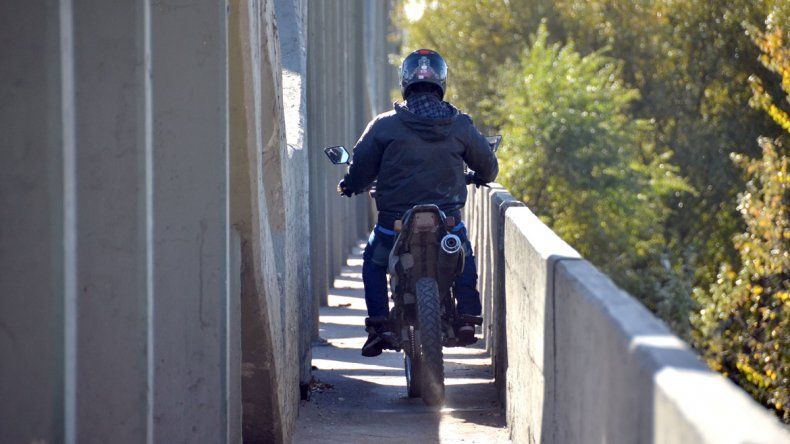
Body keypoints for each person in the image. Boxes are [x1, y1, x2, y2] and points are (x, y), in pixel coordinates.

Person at [337, 49, 498, 357]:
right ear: (442, 82)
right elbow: (488, 168)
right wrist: (477, 174)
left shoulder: (384, 125)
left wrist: (348, 185)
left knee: (373, 262)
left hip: (394, 223)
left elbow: (360, 169)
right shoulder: (460, 124)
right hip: (446, 219)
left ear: (405, 81)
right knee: (462, 253)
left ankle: (379, 325)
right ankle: (466, 316)